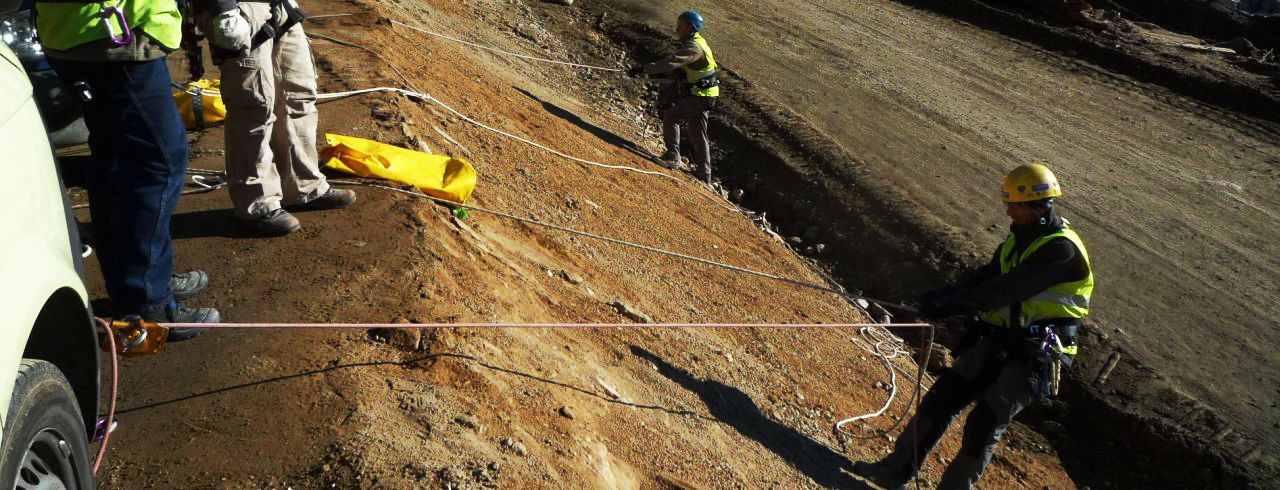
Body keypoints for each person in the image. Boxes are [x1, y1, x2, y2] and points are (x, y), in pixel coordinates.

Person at [853, 163, 1094, 489]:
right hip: (1000, 339)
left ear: (1038, 206)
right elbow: (984, 278)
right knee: (942, 398)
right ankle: (894, 470)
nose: (1007, 209)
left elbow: (1004, 291)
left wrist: (949, 306)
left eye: (1014, 204)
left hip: (1035, 352)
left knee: (985, 421)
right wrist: (936, 298)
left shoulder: (1060, 250)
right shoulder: (1018, 240)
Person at [35, 0, 219, 339]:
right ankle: (147, 302)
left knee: (115, 163)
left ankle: (140, 284)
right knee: (155, 165)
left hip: (88, 34)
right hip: (113, 37)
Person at [189, 0, 355, 235]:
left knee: (296, 95)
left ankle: (302, 187)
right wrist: (221, 10)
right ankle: (256, 205)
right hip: (240, 9)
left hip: (278, 6)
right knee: (253, 107)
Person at [627, 10, 720, 184]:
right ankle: (704, 174)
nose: (676, 29)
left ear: (690, 27)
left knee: (671, 116)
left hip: (700, 96)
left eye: (680, 26)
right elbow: (677, 70)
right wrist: (647, 73)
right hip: (705, 95)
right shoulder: (697, 43)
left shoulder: (693, 47)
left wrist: (644, 68)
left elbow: (671, 62)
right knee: (699, 134)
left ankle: (672, 156)